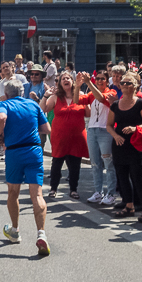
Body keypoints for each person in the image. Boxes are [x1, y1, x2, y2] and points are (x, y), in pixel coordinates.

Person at [0, 78, 51, 255]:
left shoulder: (4, 104)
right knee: (37, 194)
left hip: (14, 152)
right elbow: (46, 129)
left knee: (13, 192)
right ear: (22, 92)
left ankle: (15, 230)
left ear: (6, 93)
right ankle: (41, 233)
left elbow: (1, 117)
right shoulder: (33, 105)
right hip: (34, 150)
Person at [106, 72, 142, 221]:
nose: (124, 85)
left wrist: (135, 128)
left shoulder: (140, 103)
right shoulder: (115, 104)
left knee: (137, 177)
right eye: (123, 83)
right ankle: (129, 206)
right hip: (119, 144)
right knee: (122, 177)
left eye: (128, 83)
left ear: (135, 86)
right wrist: (115, 135)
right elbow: (108, 125)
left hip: (136, 145)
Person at [42, 71, 91, 200]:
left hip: (77, 137)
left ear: (73, 81)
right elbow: (43, 110)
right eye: (63, 78)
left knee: (75, 165)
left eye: (68, 78)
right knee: (57, 163)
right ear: (60, 83)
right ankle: (53, 188)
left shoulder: (81, 96)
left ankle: (73, 189)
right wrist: (45, 96)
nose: (66, 80)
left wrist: (87, 100)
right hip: (60, 136)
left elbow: (88, 113)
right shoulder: (55, 97)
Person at [84, 67, 118, 205]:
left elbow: (102, 98)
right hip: (92, 130)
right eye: (97, 78)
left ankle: (111, 193)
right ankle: (98, 192)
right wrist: (78, 85)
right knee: (95, 164)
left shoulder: (112, 92)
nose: (99, 81)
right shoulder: (91, 93)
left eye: (102, 79)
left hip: (105, 131)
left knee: (108, 163)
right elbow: (77, 100)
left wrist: (89, 83)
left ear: (107, 81)